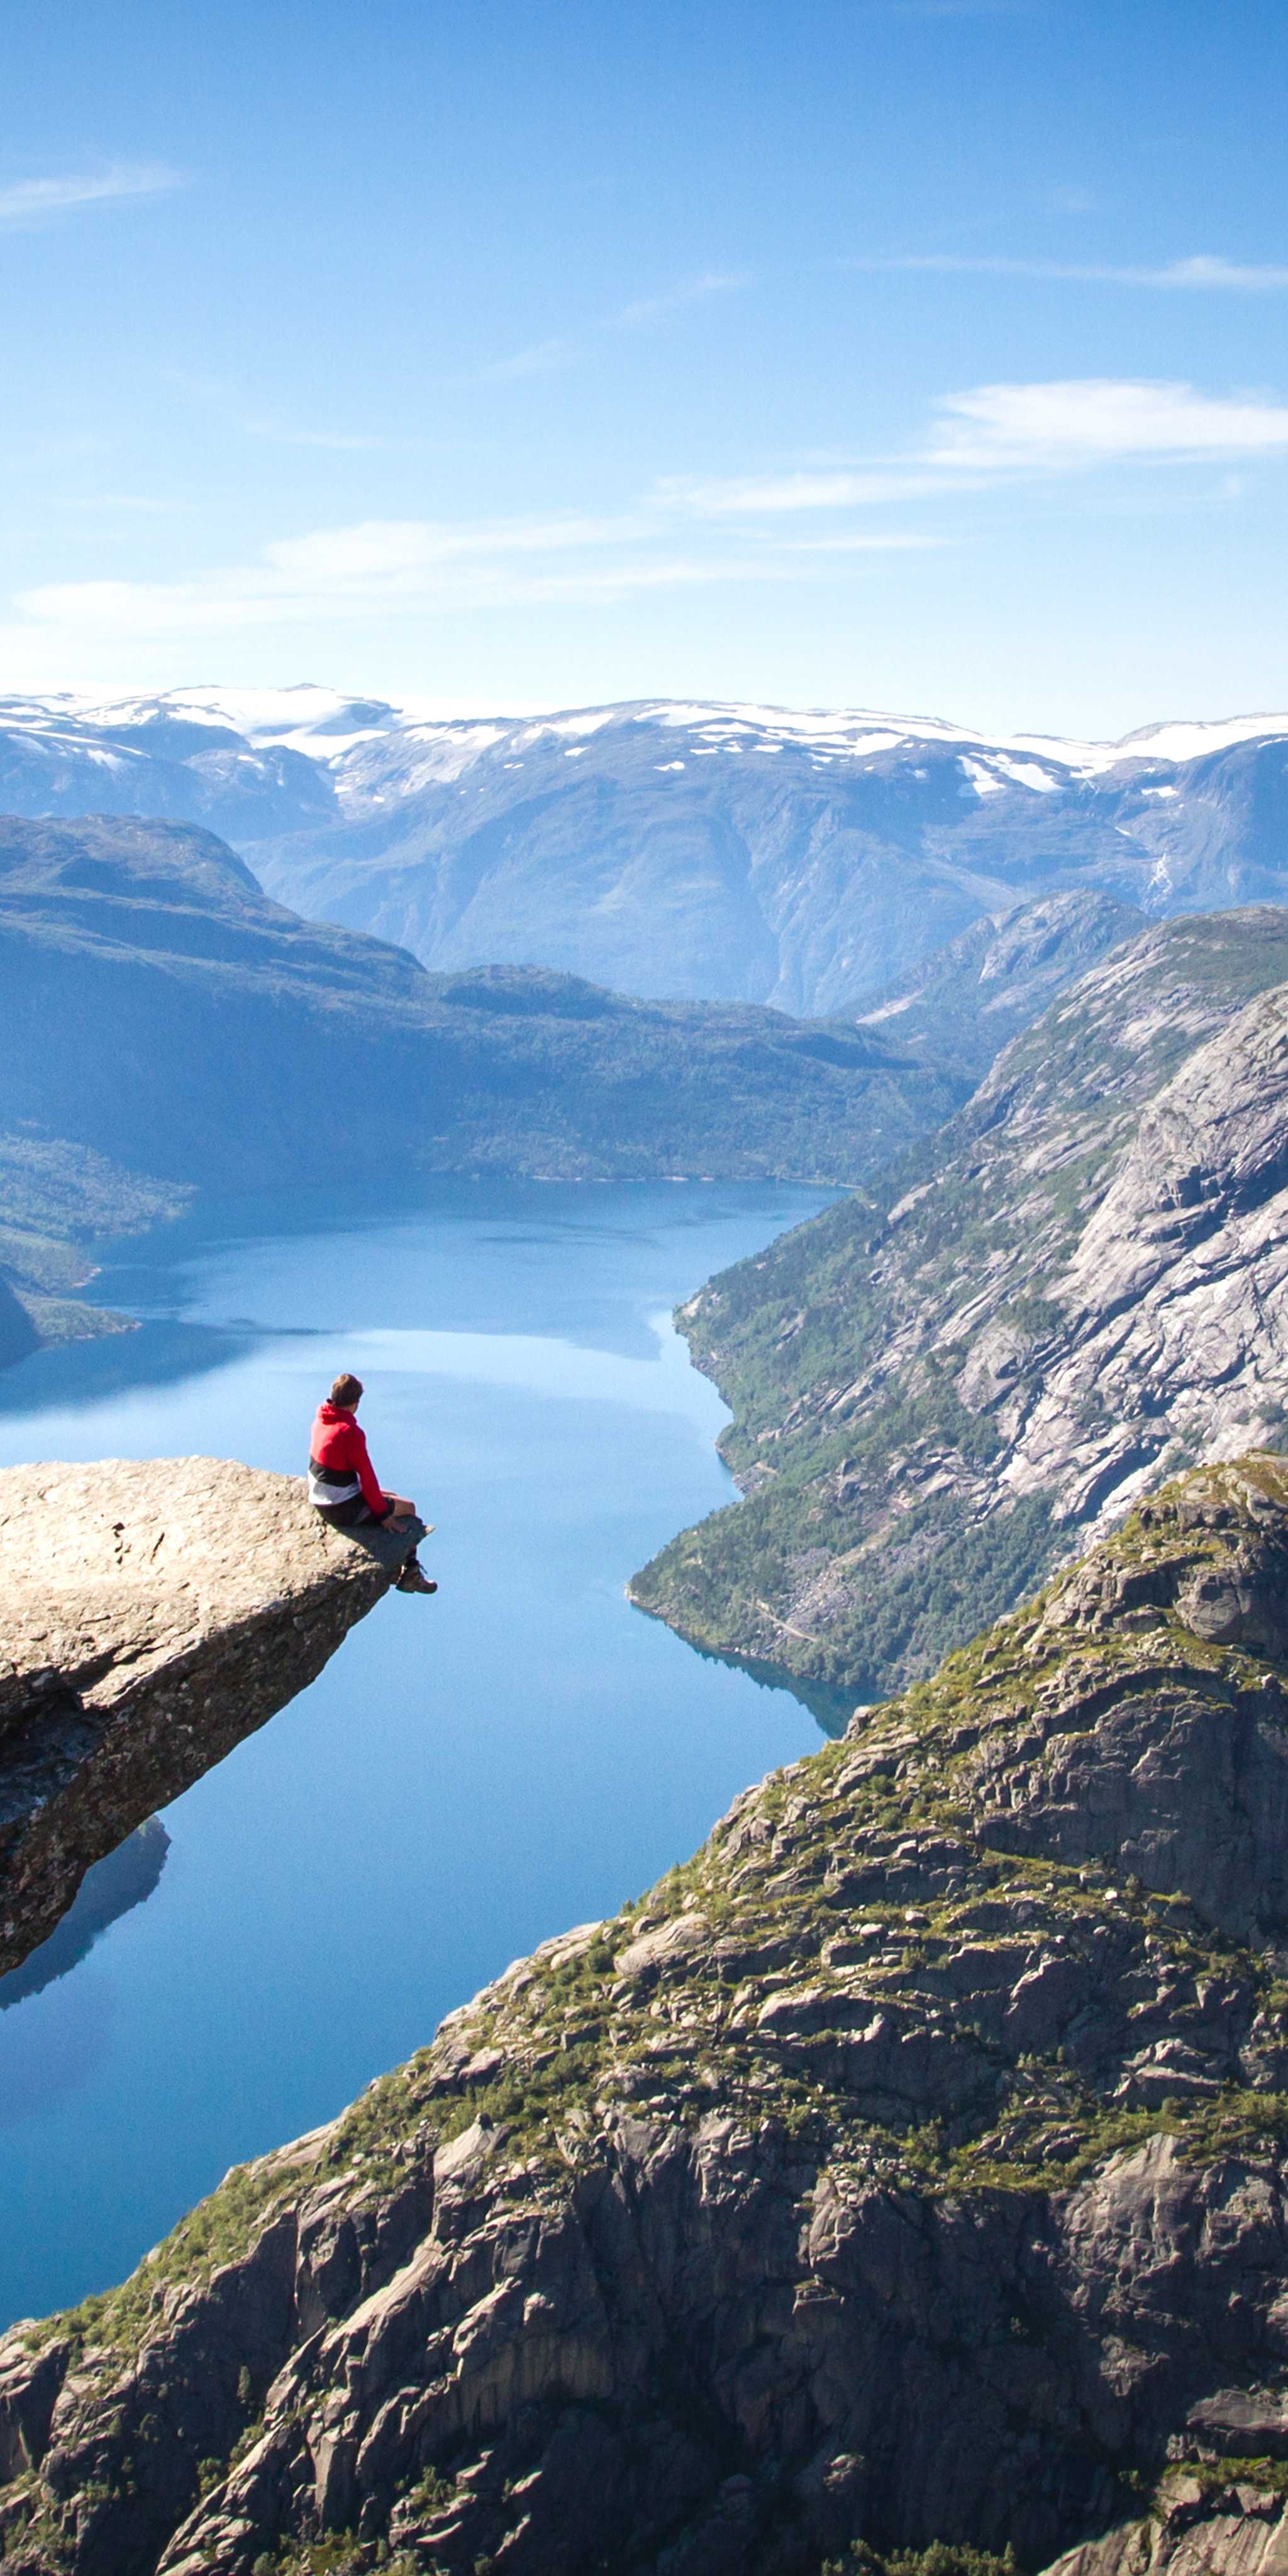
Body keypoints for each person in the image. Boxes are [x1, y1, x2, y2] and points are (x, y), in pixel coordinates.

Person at [308, 1373, 436, 1596]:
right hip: (340, 1508)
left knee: (391, 1496)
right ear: (356, 1403)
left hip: (322, 1497)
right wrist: (384, 1516)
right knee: (408, 1508)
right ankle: (410, 1574)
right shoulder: (350, 1432)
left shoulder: (322, 1420)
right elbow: (367, 1478)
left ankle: (400, 1568)